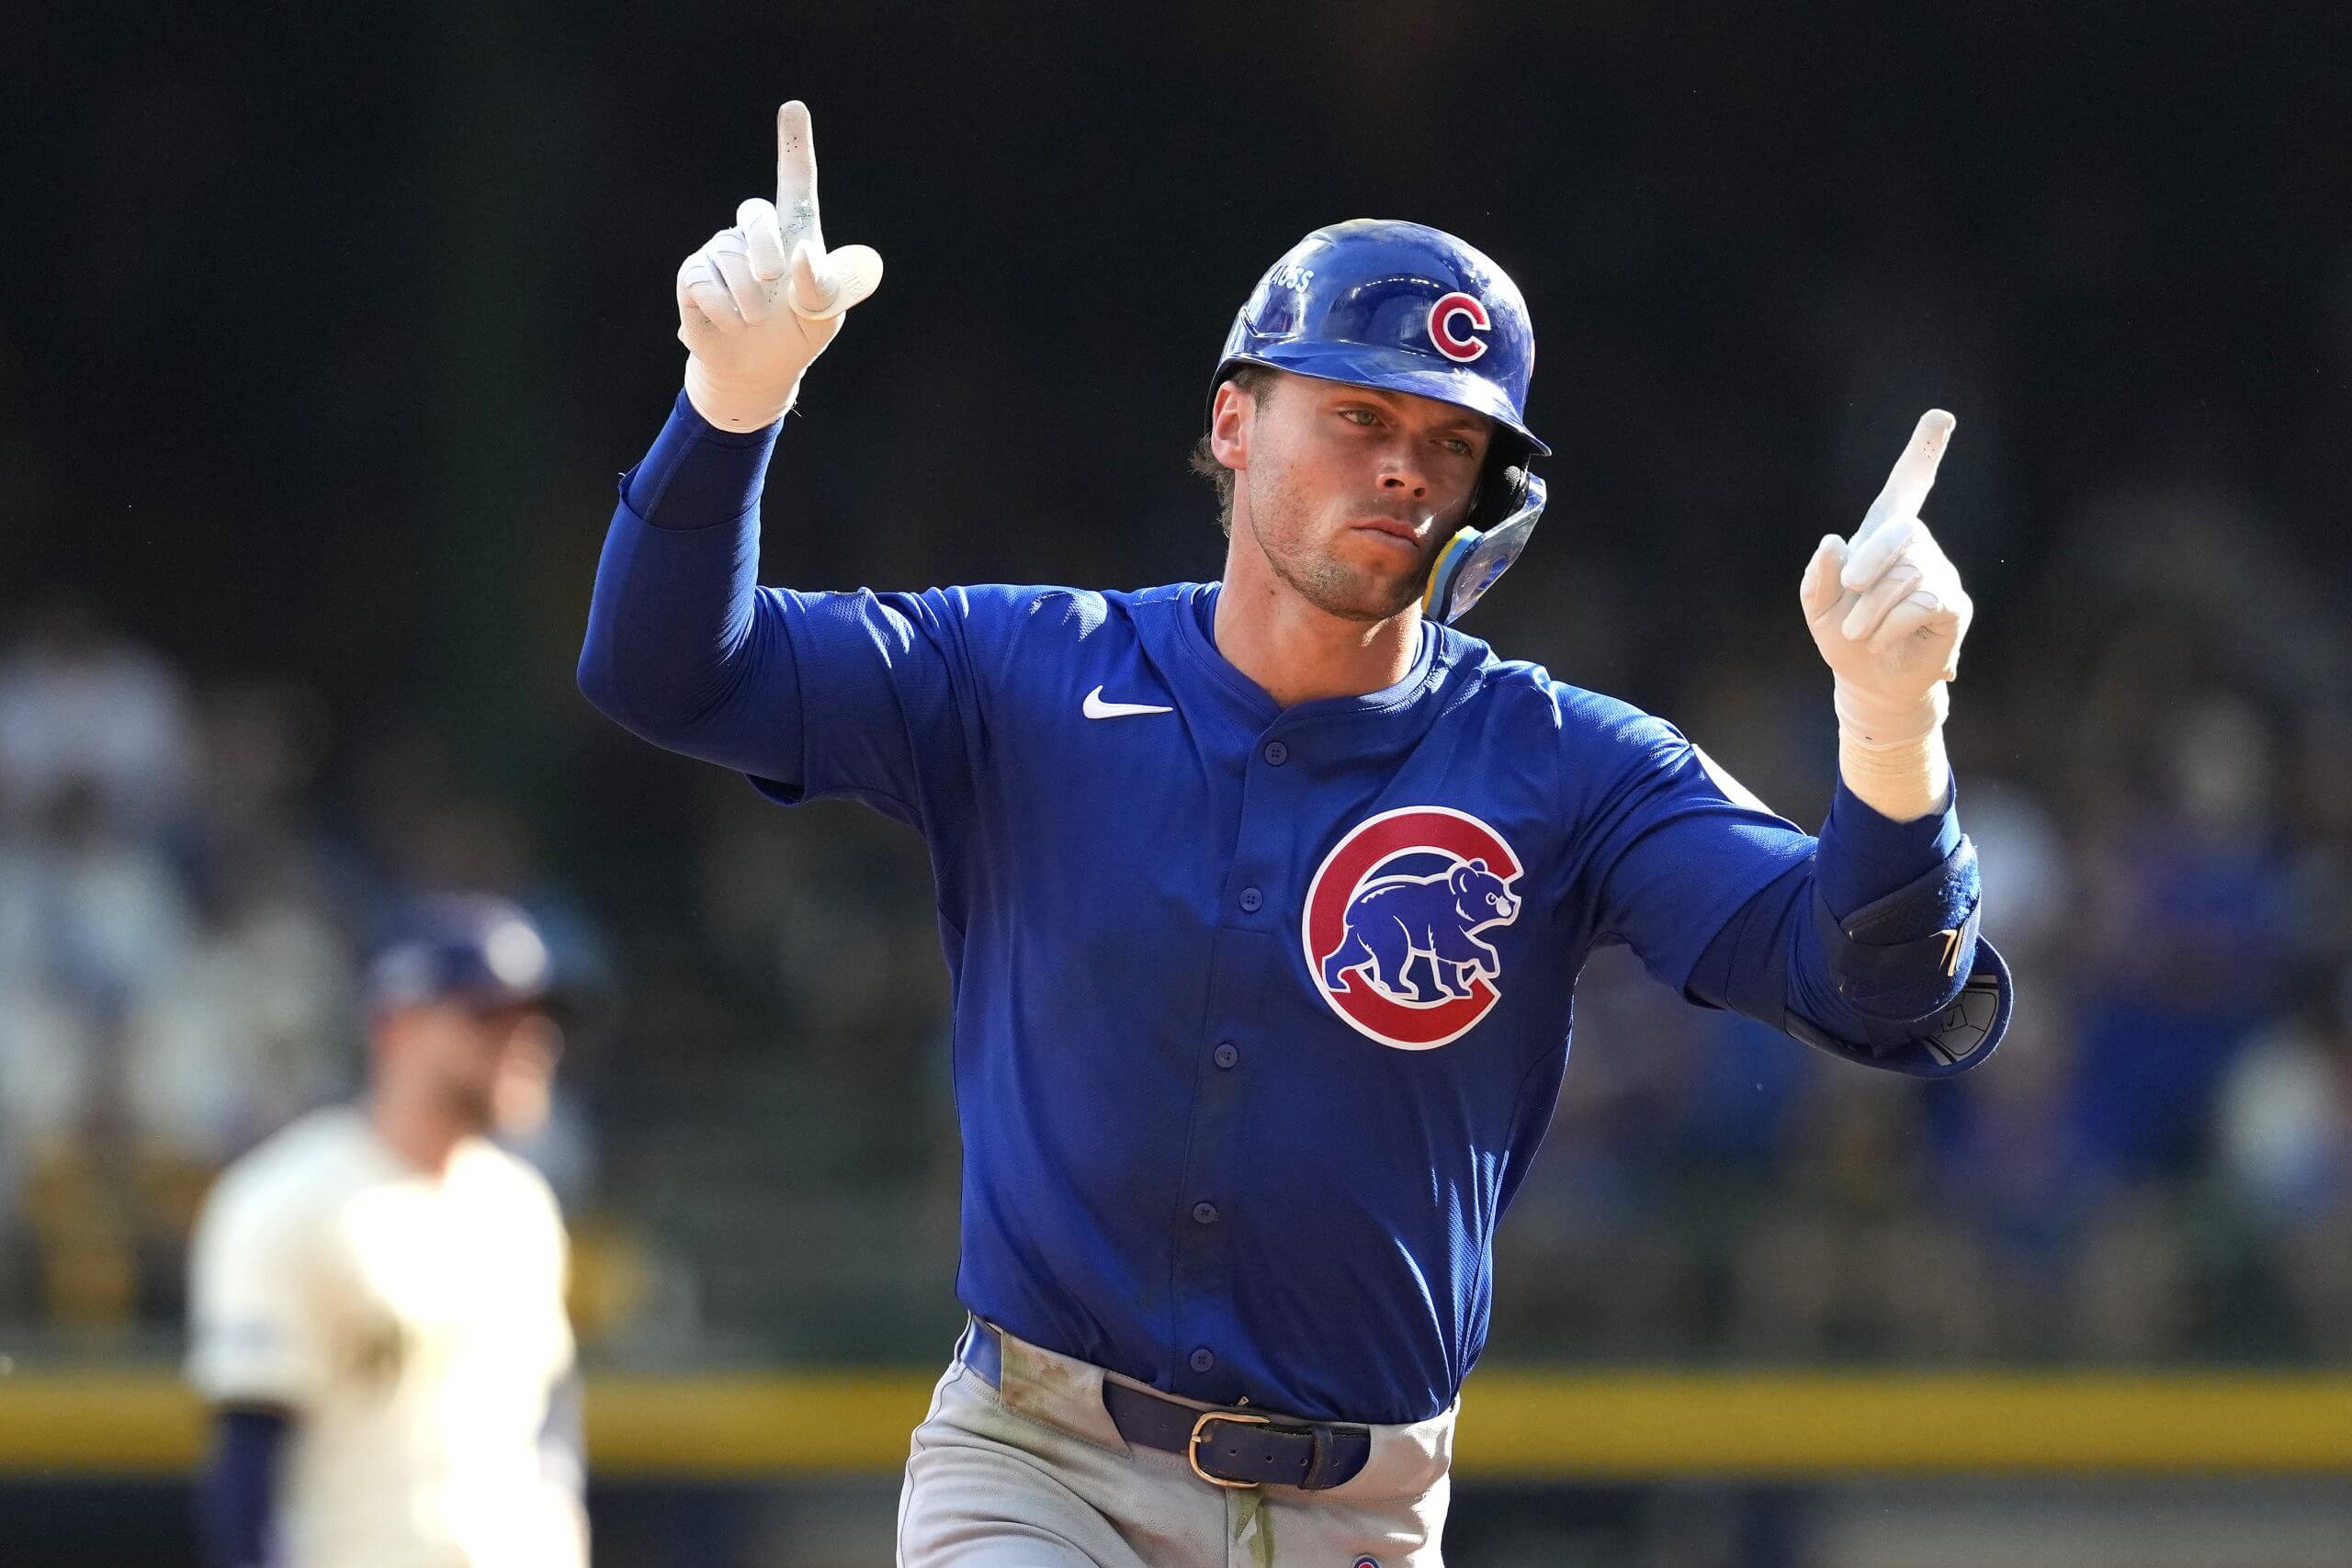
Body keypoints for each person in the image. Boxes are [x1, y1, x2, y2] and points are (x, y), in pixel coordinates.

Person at [577, 101, 2012, 1567]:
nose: (1405, 467)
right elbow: (668, 670)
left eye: (1452, 444)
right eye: (1359, 415)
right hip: (1041, 1464)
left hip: (1364, 1516)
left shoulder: (1568, 763)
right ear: (1231, 420)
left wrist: (1895, 733)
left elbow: (1879, 991)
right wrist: (726, 408)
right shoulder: (1024, 672)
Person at [184, 895, 585, 1568]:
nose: (526, 1042)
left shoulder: (522, 1206)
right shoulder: (287, 1199)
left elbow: (550, 1420)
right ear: (394, 1026)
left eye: (536, 1019)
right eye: (489, 1015)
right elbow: (246, 1468)